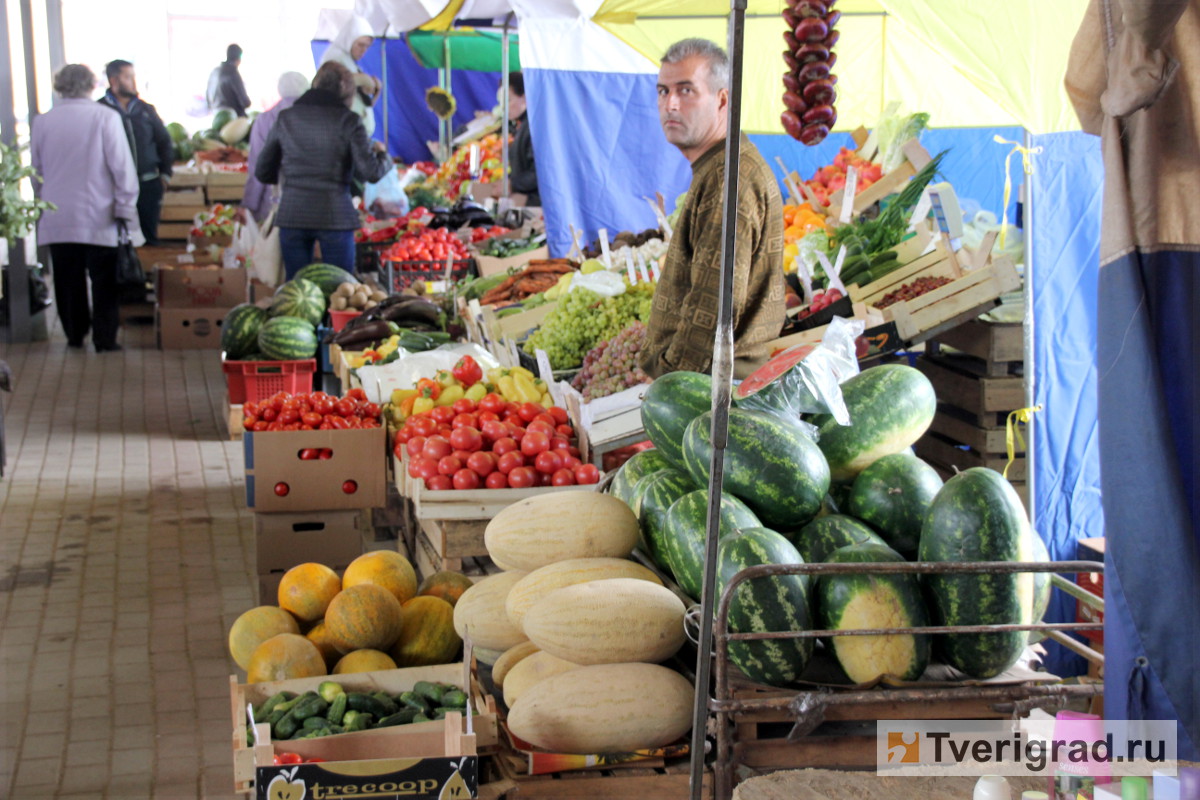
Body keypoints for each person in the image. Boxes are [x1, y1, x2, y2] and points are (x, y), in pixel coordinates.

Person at [1066, 0, 1199, 761]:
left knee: (1164, 519)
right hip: (1168, 243)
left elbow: (1090, 90)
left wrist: (1138, 50)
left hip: (1169, 245)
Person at [638, 38, 786, 380]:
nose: (670, 104)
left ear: (723, 99)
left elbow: (713, 305)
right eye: (663, 91)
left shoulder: (728, 178)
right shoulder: (720, 166)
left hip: (714, 393)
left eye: (686, 91)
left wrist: (672, 378)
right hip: (711, 384)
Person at [31, 64, 144, 352]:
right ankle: (105, 338)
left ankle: (74, 333)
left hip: (58, 214)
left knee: (67, 281)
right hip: (99, 214)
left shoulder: (43, 122)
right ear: (92, 85)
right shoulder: (105, 117)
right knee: (104, 281)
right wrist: (126, 209)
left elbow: (37, 171)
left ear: (59, 87)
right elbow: (122, 169)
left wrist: (42, 201)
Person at [255, 61, 390, 278]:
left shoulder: (286, 118)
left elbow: (263, 171)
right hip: (335, 215)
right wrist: (383, 155)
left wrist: (288, 179)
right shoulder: (349, 121)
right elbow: (370, 172)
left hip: (293, 214)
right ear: (345, 91)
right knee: (341, 291)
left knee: (298, 293)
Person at [99, 59, 174, 245]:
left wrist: (165, 175)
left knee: (149, 237)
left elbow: (164, 142)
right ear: (114, 80)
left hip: (147, 185)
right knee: (114, 241)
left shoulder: (145, 109)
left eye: (134, 77)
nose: (133, 82)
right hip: (112, 190)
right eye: (128, 77)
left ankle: (147, 274)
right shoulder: (100, 110)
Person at [242, 71, 309, 223]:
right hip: (309, 203)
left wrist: (250, 205)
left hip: (272, 200)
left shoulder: (264, 119)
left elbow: (257, 165)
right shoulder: (316, 119)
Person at [318, 15, 381, 138]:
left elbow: (363, 102)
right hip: (345, 134)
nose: (363, 50)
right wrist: (361, 79)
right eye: (360, 45)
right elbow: (333, 82)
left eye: (366, 46)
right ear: (349, 40)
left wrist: (375, 89)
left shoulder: (349, 61)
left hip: (357, 133)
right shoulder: (334, 56)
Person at [507, 72, 540, 207]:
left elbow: (539, 171)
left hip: (535, 205)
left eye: (508, 100)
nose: (504, 107)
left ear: (524, 98)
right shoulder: (522, 125)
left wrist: (512, 184)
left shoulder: (533, 126)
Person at [207, 44, 251, 117]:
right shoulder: (232, 72)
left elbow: (208, 98)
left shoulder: (215, 71)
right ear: (238, 59)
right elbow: (245, 102)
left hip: (216, 116)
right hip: (232, 117)